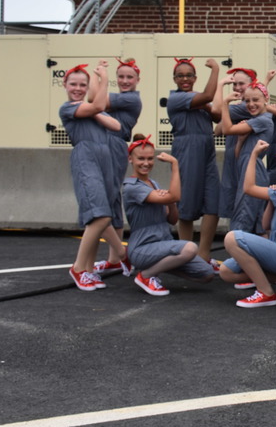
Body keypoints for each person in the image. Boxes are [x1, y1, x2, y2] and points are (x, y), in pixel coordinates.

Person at [218, 140, 276, 307]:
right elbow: (266, 224)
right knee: (226, 271)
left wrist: (253, 155)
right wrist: (272, 200)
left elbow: (249, 188)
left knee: (232, 238)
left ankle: (265, 292)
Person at [121, 137, 214, 296]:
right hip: (143, 247)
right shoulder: (131, 187)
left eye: (150, 158)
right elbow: (175, 196)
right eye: (141, 158)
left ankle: (154, 269)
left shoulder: (154, 183)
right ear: (130, 159)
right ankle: (146, 276)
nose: (146, 163)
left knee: (207, 273)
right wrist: (175, 166)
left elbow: (172, 219)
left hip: (162, 245)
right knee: (190, 248)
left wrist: (170, 203)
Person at [60, 60, 124, 291]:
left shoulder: (90, 110)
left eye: (82, 84)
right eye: (73, 84)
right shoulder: (67, 108)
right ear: (65, 85)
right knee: (98, 215)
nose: (77, 88)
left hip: (104, 159)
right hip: (86, 158)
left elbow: (115, 126)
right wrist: (104, 79)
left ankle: (88, 269)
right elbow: (98, 108)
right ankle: (78, 268)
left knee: (102, 217)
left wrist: (95, 111)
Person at [167, 57, 221, 265]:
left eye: (189, 75)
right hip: (187, 148)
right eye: (180, 75)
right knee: (187, 204)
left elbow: (216, 115)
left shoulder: (198, 100)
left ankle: (204, 255)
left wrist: (208, 105)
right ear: (174, 79)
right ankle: (186, 255)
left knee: (213, 202)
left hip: (207, 148)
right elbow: (208, 95)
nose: (185, 79)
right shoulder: (176, 98)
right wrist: (216, 69)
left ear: (195, 77)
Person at [93, 57, 141, 275]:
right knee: (111, 200)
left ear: (137, 80)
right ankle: (114, 258)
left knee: (106, 198)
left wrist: (100, 75)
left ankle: (122, 255)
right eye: (120, 77)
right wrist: (99, 74)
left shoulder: (131, 99)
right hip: (104, 145)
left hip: (114, 145)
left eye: (129, 77)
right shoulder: (120, 97)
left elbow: (95, 100)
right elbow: (94, 98)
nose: (124, 81)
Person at [220, 78, 275, 233]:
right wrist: (241, 141)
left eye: (255, 100)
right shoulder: (254, 120)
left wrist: (225, 104)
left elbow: (226, 129)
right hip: (246, 168)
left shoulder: (263, 120)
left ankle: (239, 255)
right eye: (247, 100)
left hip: (254, 172)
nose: (251, 104)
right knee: (253, 221)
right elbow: (239, 154)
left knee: (243, 217)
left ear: (266, 99)